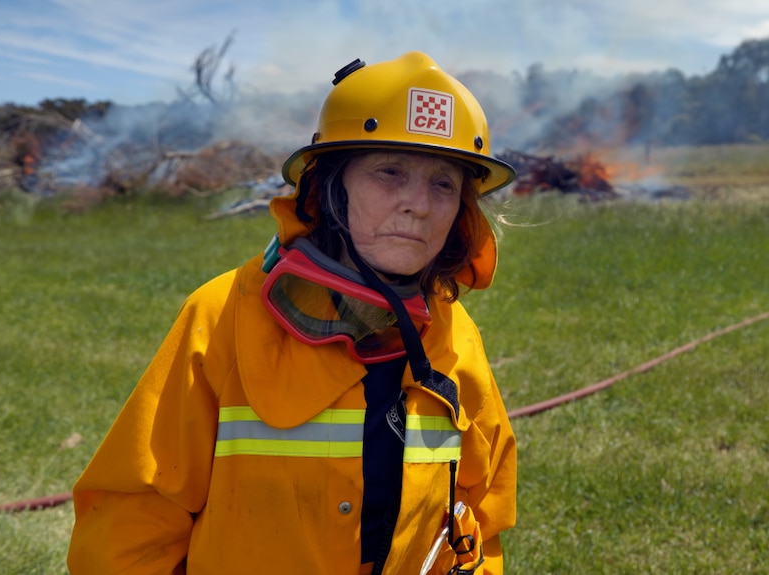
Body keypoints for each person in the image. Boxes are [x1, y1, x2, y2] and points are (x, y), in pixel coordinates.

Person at [67, 51, 517, 575]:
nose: (418, 203)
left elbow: (476, 521)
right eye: (389, 172)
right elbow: (131, 527)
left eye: (443, 182)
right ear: (330, 188)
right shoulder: (222, 317)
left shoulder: (455, 335)